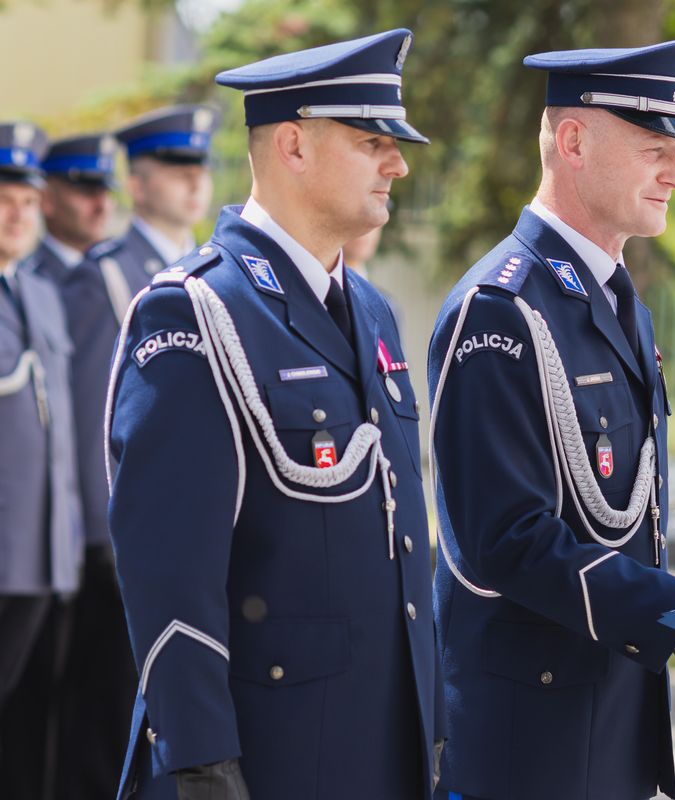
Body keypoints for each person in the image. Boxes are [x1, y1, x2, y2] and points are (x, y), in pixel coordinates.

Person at [106, 28, 441, 798]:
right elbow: (168, 572)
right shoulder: (195, 310)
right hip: (266, 759)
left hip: (380, 749)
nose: (398, 164)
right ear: (293, 145)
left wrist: (433, 731)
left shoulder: (373, 311)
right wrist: (201, 760)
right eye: (372, 142)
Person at [428, 40, 675, 800]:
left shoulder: (615, 299)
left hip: (609, 730)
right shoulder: (501, 308)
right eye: (655, 150)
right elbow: (506, 539)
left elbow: (626, 522)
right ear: (572, 142)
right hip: (525, 745)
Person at [54, 111, 217, 800]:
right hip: (121, 553)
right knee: (108, 729)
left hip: (196, 542)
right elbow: (91, 419)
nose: (194, 182)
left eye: (200, 168)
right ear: (139, 185)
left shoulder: (211, 271)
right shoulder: (106, 277)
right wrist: (103, 540)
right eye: (176, 170)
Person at [0, 122, 83, 795]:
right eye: (4, 200)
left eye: (29, 201)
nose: (18, 215)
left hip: (48, 557)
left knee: (32, 737)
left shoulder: (41, 294)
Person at [31, 132, 117, 284]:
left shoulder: (116, 267)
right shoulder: (32, 277)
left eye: (106, 193)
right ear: (47, 199)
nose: (102, 207)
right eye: (87, 193)